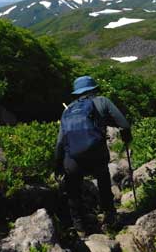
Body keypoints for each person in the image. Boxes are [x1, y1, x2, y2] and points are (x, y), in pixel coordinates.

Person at [55, 75, 132, 236]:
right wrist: (126, 138)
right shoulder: (102, 101)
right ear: (93, 89)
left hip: (73, 159)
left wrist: (58, 164)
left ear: (76, 93)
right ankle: (110, 219)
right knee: (103, 182)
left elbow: (61, 142)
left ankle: (80, 227)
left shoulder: (67, 110)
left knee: (73, 191)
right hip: (96, 154)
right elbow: (123, 123)